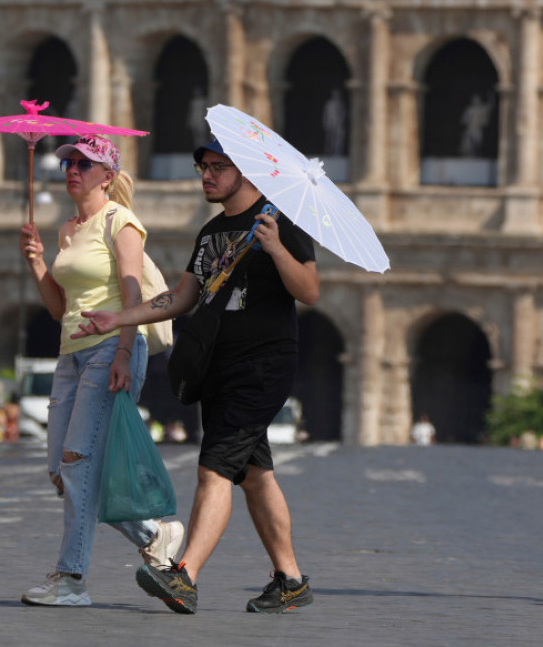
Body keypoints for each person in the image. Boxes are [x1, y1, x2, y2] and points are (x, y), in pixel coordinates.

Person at [72, 136, 319, 614]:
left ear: (244, 171)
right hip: (218, 365)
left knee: (215, 468)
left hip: (263, 365)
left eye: (216, 167)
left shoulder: (280, 220)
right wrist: (118, 318)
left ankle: (185, 575)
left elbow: (309, 289)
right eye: (202, 167)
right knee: (254, 474)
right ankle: (290, 580)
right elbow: (183, 297)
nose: (206, 175)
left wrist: (276, 249)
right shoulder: (209, 233)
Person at [17, 133, 184, 607]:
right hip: (71, 354)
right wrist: (37, 263)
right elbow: (57, 308)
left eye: (84, 164)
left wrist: (124, 354)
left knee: (78, 465)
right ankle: (154, 535)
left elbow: (132, 294)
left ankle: (71, 580)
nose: (72, 169)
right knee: (61, 469)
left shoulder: (122, 222)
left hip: (111, 347)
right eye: (68, 162)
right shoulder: (68, 229)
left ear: (106, 176)